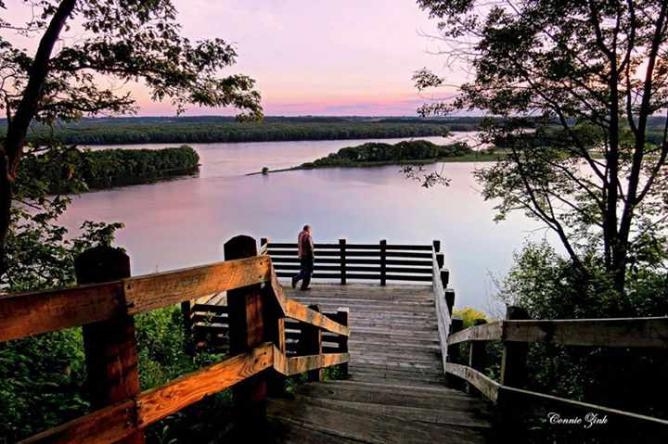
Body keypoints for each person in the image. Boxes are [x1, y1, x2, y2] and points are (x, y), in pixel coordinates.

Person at [292, 225, 314, 290]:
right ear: (308, 229)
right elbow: (310, 246)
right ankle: (303, 285)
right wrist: (312, 255)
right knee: (309, 271)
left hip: (301, 255)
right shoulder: (307, 235)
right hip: (308, 256)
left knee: (303, 271)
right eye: (310, 230)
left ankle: (299, 281)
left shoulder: (300, 234)